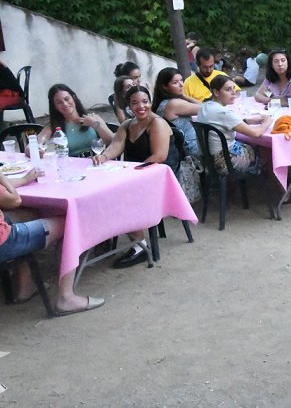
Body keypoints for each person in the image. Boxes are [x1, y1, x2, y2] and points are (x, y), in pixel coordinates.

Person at [92, 85, 179, 268]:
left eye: (145, 102)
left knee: (122, 194)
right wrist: (104, 156)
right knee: (101, 191)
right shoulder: (127, 125)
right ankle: (103, 236)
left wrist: (132, 174)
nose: (141, 106)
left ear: (150, 102)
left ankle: (140, 246)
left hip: (158, 175)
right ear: (128, 106)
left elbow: (159, 156)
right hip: (135, 174)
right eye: (135, 103)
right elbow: (116, 145)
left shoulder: (157, 123)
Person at [0, 172, 104, 315]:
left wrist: (24, 179)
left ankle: (25, 286)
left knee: (29, 213)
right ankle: (66, 298)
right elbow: (14, 199)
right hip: (5, 241)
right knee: (71, 222)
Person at [196, 75, 273, 176]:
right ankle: (272, 180)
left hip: (207, 159)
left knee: (247, 143)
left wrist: (247, 121)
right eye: (228, 89)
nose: (233, 93)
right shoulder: (223, 112)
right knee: (263, 149)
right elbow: (256, 133)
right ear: (216, 92)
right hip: (224, 162)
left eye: (233, 88)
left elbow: (222, 123)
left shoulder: (206, 106)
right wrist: (268, 120)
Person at [35, 84, 113, 157]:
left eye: (67, 99)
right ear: (55, 106)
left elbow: (112, 141)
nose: (65, 104)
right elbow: (33, 146)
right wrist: (39, 150)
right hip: (72, 166)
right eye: (59, 102)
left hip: (96, 161)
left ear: (74, 98)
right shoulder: (54, 126)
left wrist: (94, 124)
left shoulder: (93, 118)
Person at [152, 67, 201, 157]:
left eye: (181, 80)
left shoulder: (162, 103)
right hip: (192, 149)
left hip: (182, 149)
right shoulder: (174, 104)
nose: (181, 85)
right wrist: (184, 96)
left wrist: (183, 95)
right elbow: (207, 109)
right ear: (165, 87)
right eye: (175, 82)